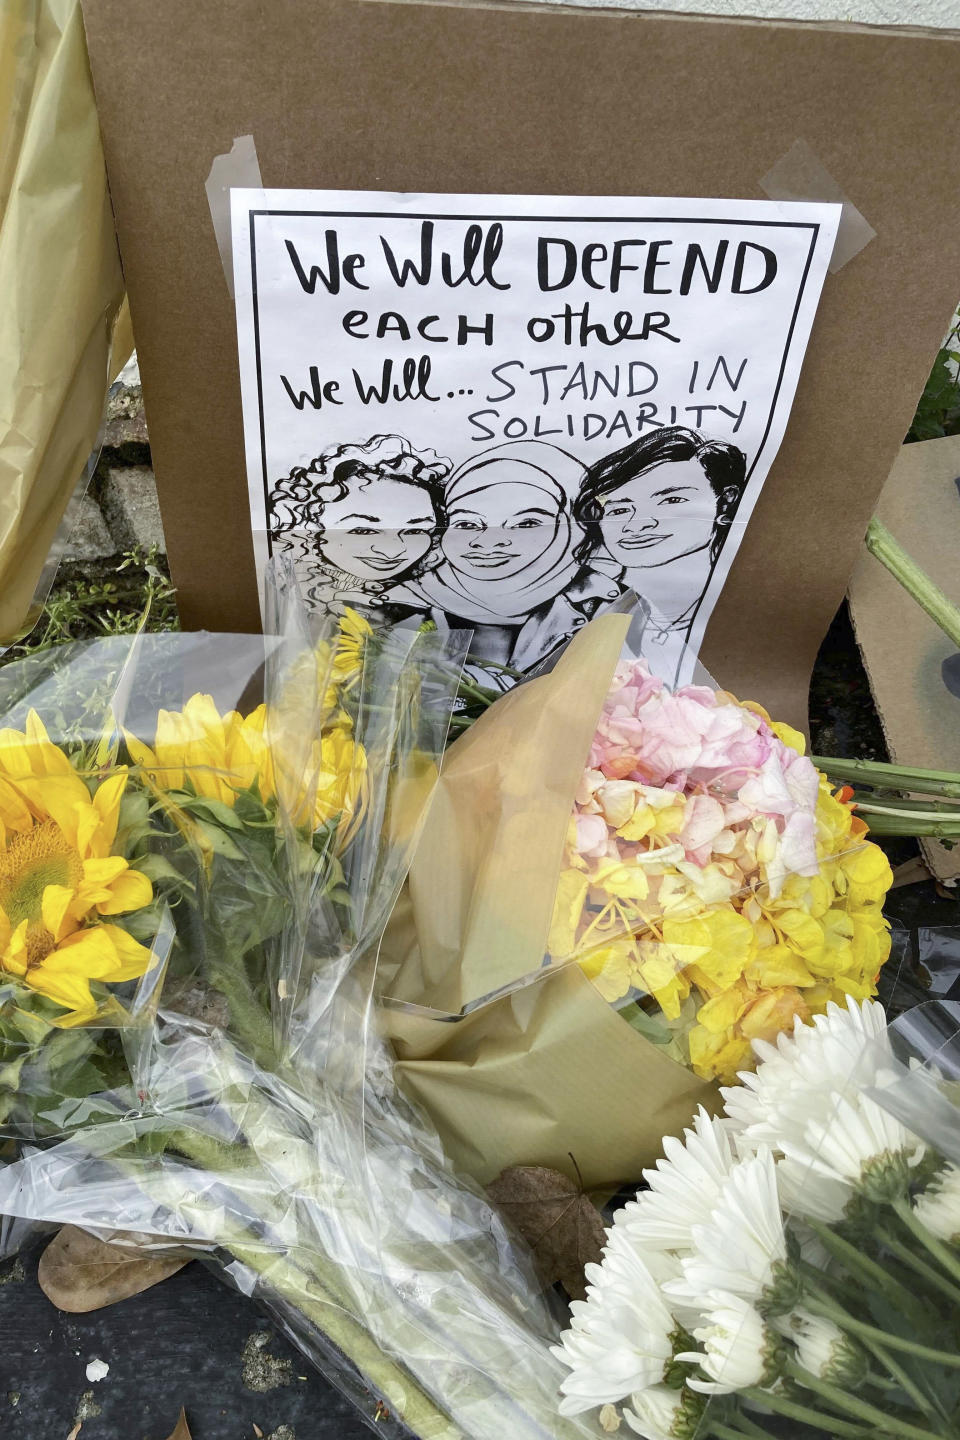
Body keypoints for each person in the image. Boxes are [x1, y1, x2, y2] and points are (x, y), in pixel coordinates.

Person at [387, 439, 622, 678]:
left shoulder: (610, 603)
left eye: (527, 523)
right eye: (466, 524)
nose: (488, 540)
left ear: (573, 527)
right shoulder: (399, 607)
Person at [572, 426, 747, 669]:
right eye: (619, 509)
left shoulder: (748, 611)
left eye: (671, 500)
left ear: (725, 502)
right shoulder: (573, 614)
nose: (637, 524)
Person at [268, 435, 449, 613]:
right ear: (311, 527)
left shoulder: (433, 603)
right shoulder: (288, 595)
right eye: (363, 530)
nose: (392, 550)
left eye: (415, 530)